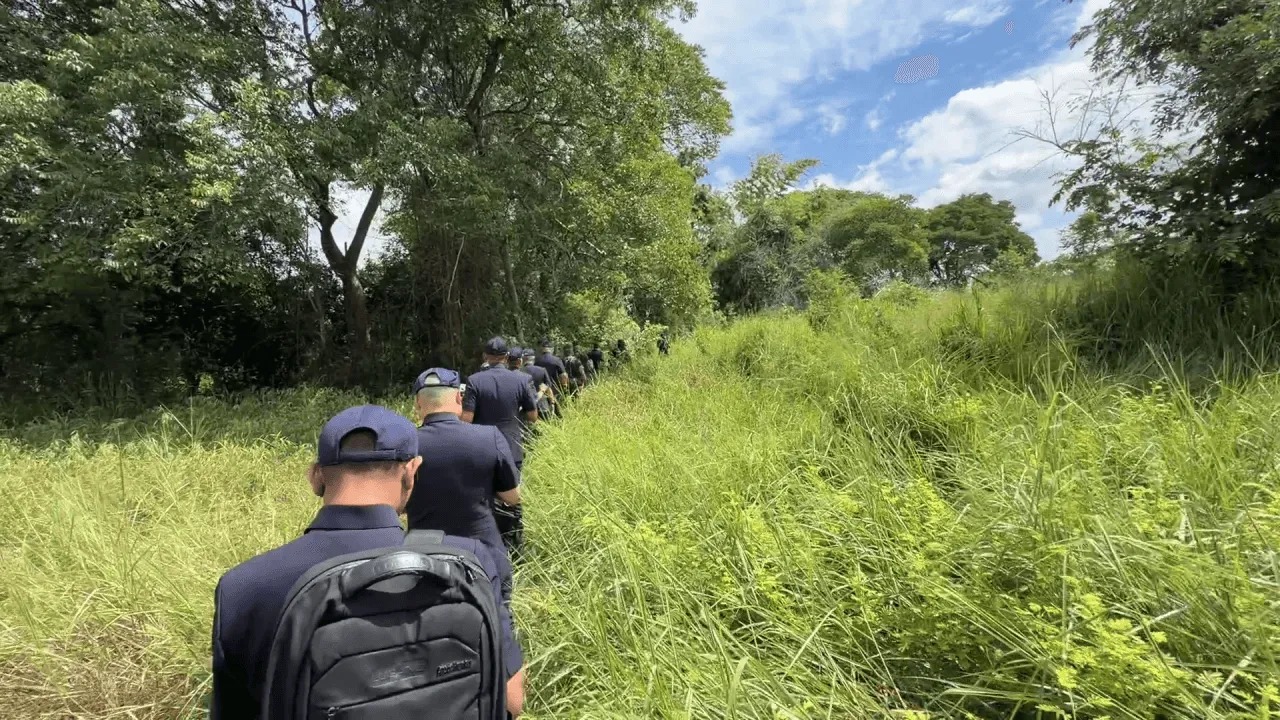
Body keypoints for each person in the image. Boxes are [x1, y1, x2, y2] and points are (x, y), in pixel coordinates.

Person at [210, 404, 525, 719]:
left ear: (315, 477)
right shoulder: (469, 562)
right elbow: (512, 700)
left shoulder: (245, 587)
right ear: (411, 472)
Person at [409, 367, 522, 592]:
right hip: (483, 556)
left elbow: (396, 504)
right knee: (497, 610)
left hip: (424, 559)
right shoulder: (489, 437)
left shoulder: (406, 444)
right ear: (459, 398)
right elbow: (512, 497)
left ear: (418, 404)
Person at [463, 337, 538, 470]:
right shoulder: (522, 380)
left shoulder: (474, 381)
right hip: (512, 448)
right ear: (507, 356)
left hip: (483, 449)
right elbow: (532, 416)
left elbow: (466, 420)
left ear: (485, 356)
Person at [519, 348, 556, 420]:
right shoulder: (542, 370)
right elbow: (548, 388)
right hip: (542, 406)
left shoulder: (519, 372)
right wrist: (552, 404)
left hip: (525, 408)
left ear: (523, 359)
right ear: (533, 359)